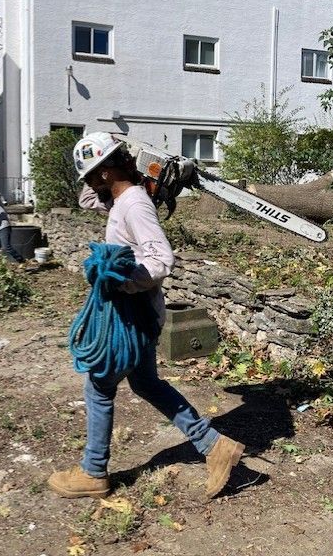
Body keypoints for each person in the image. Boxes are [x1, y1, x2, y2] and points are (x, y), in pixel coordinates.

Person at [47, 132, 245, 500]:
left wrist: (119, 281)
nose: (88, 183)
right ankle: (214, 446)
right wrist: (131, 165)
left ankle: (92, 471)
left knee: (100, 385)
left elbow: (160, 259)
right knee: (146, 383)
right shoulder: (120, 198)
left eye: (91, 174)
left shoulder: (133, 204)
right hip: (135, 312)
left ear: (105, 173)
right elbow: (87, 198)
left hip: (131, 313)